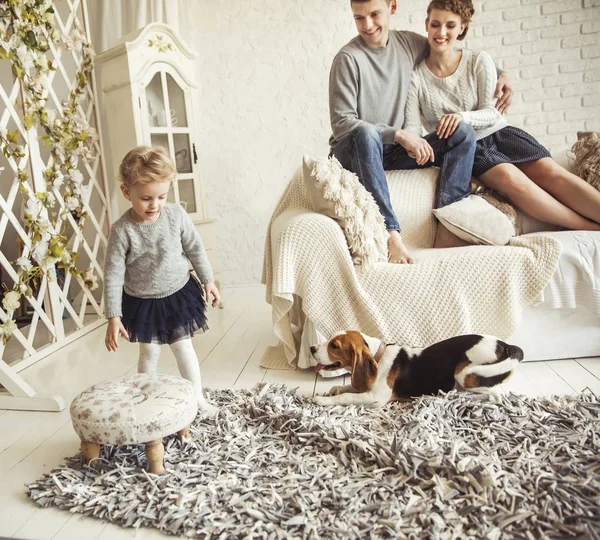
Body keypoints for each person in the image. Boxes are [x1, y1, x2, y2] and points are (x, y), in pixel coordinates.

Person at [329, 0, 514, 264]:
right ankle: (390, 235)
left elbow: (447, 47)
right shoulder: (348, 59)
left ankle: (450, 223)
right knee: (367, 133)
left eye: (374, 14)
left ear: (392, 7)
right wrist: (400, 134)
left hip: (393, 151)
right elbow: (342, 123)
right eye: (359, 18)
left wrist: (501, 73)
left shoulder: (408, 44)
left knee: (461, 133)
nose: (367, 25)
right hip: (355, 148)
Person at [404, 0, 600, 231]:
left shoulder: (478, 60)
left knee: (552, 173)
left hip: (501, 134)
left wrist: (461, 117)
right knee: (514, 182)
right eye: (435, 24)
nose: (441, 32)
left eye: (450, 25)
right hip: (469, 148)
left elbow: (491, 111)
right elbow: (412, 126)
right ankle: (591, 229)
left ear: (462, 28)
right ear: (426, 24)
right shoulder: (416, 76)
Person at [103, 146, 221, 414]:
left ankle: (197, 399)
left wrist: (208, 281)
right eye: (146, 198)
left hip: (177, 295)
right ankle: (145, 402)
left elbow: (195, 248)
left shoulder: (176, 215)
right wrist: (113, 316)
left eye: (161, 196)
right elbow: (112, 274)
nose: (154, 205)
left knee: (183, 349)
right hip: (143, 303)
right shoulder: (122, 231)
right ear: (126, 192)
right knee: (149, 354)